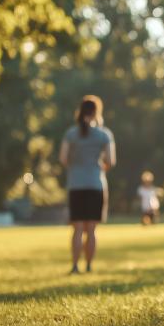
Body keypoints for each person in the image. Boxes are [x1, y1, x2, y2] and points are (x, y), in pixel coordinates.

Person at [59, 95, 116, 274]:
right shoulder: (104, 134)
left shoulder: (70, 133)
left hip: (76, 184)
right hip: (95, 184)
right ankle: (89, 266)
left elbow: (63, 158)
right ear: (97, 112)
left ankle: (75, 266)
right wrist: (99, 168)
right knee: (91, 229)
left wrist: (76, 167)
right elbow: (111, 160)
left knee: (77, 229)